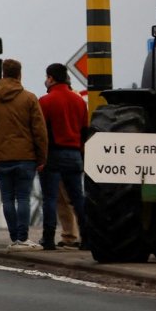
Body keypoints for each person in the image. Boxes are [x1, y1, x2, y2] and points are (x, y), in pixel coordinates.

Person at [0, 57, 48, 249]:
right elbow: (39, 131)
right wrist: (42, 157)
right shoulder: (29, 98)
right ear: (19, 74)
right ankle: (23, 239)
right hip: (26, 156)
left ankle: (14, 238)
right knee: (23, 197)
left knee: (7, 198)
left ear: (3, 73)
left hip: (1, 156)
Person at [38, 62, 89, 251]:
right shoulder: (79, 101)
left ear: (50, 78)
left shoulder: (45, 101)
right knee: (78, 199)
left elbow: (41, 131)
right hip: (75, 154)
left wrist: (40, 157)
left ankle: (48, 238)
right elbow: (85, 131)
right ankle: (87, 237)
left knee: (50, 199)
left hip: (53, 154)